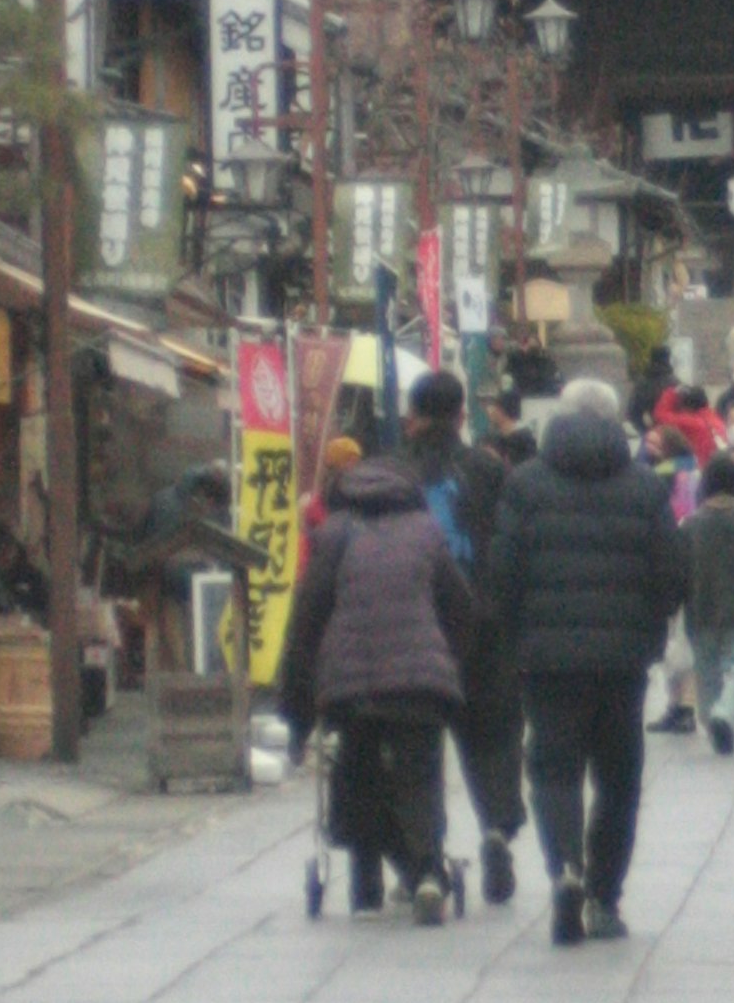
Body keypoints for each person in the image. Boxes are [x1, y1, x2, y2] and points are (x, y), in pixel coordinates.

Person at [488, 387, 683, 943]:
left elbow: (502, 574)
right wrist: (650, 628)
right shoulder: (644, 487)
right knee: (619, 779)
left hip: (547, 662)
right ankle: (604, 896)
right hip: (622, 663)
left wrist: (514, 638)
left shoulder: (525, 484)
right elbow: (670, 572)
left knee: (553, 769)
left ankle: (565, 867)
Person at [281, 432, 477, 921]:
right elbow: (461, 608)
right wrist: (447, 664)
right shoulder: (427, 533)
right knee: (420, 774)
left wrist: (297, 713)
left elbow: (307, 623)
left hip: (352, 686)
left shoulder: (334, 535)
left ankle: (366, 881)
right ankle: (429, 872)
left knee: (359, 767)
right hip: (420, 685)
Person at [400, 369, 523, 908]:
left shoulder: (394, 473)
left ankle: (426, 862)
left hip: (412, 627)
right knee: (491, 735)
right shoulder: (487, 470)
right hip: (482, 625)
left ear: (414, 415)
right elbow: (507, 546)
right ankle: (496, 827)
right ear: (460, 415)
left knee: (418, 746)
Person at [686, 441, 734, 757]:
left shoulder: (689, 525)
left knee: (705, 670)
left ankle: (709, 716)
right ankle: (725, 713)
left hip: (699, 609)